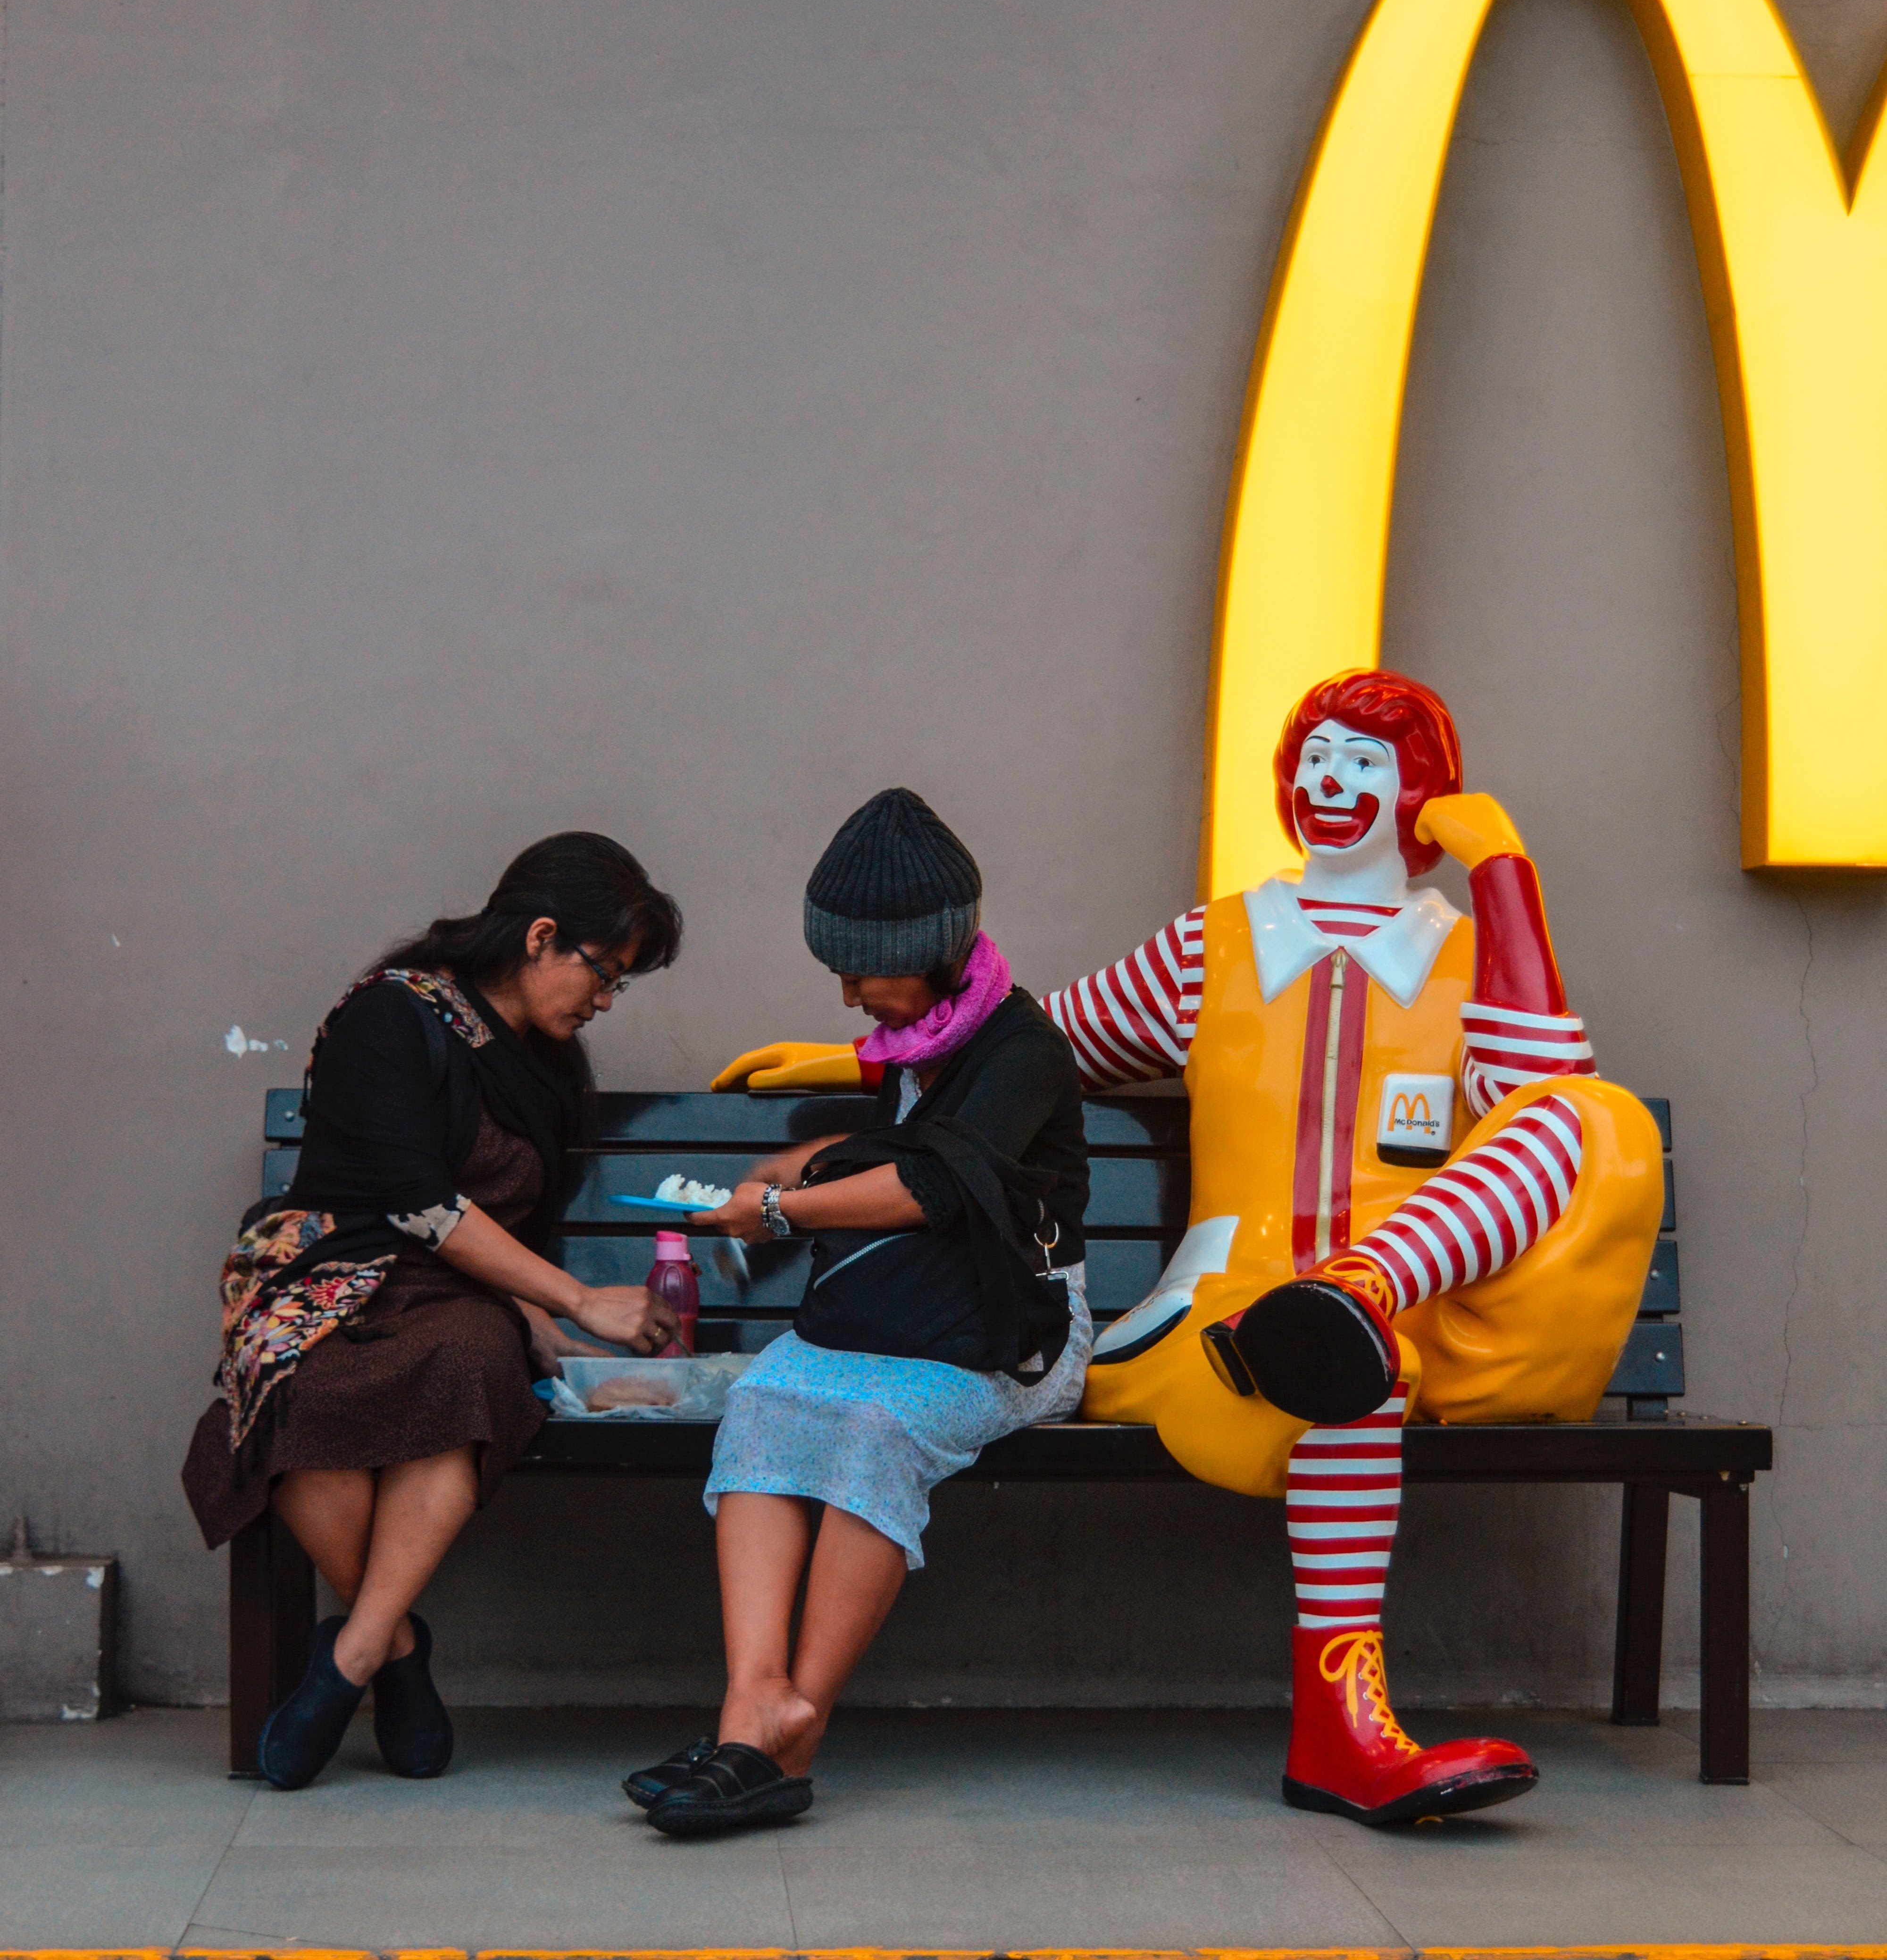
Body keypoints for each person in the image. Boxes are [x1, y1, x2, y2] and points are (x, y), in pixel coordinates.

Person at [710, 675, 1663, 1830]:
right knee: (1342, 1381)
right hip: (1225, 1325)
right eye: (1315, 755)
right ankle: (1340, 1732)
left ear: (1422, 794)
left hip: (1426, 1313)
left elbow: (1531, 1101)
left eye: (1365, 763)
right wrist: (852, 1058)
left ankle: (1363, 1286)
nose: (1331, 782)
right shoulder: (1214, 945)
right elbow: (1029, 1047)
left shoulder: (1465, 960)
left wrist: (1503, 874)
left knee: (1591, 1119)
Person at [625, 788, 1089, 1838]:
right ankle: (751, 1701)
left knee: (874, 1425)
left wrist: (778, 1209)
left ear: (928, 950)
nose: (846, 995)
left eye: (859, 969)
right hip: (908, 1312)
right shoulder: (919, 1037)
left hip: (1012, 1331)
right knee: (768, 1401)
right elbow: (893, 1155)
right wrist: (801, 1164)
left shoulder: (1019, 1048)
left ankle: (798, 1724)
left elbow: (929, 1191)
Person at [183, 831, 683, 1792]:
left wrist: (535, 1314)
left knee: (464, 1366)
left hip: (458, 1297)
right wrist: (576, 1298)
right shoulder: (389, 1016)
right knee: (304, 1390)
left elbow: (506, 1228)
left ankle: (351, 1657)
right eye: (605, 972)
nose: (606, 1001)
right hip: (334, 1266)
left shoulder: (543, 1064)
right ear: (541, 936)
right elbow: (420, 1203)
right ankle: (397, 1649)